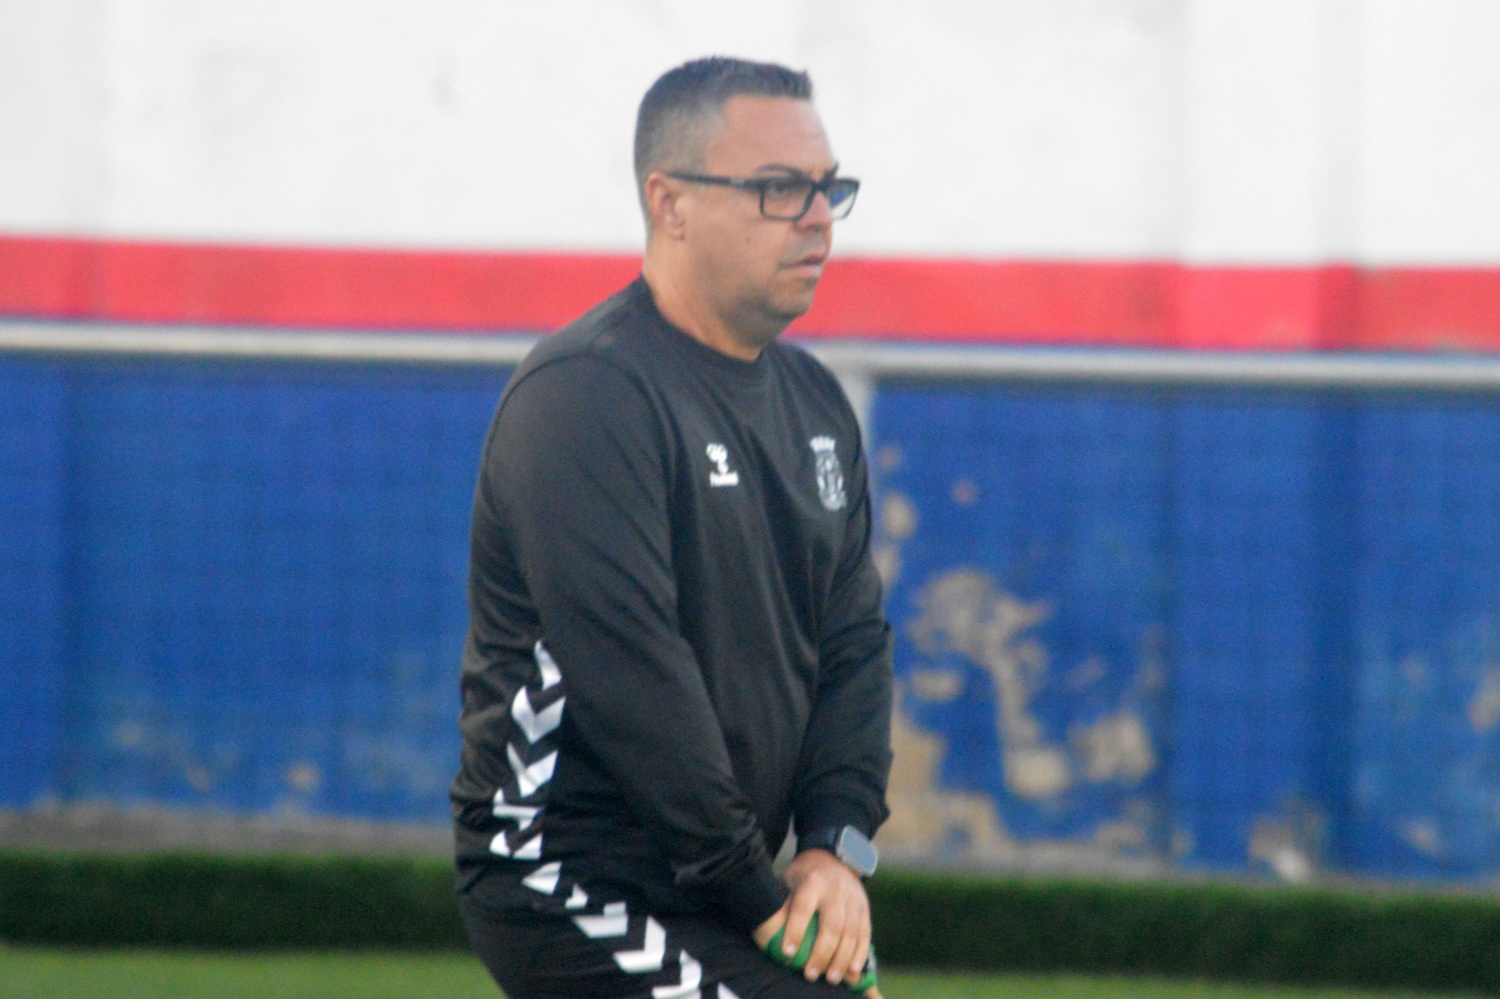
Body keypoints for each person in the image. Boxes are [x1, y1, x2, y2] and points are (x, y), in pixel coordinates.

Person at [450, 55, 893, 999]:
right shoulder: (588, 394)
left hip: (719, 881)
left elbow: (853, 647)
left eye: (828, 188)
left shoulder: (816, 404)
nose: (818, 216)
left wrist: (833, 848)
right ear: (671, 202)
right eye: (779, 189)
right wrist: (753, 890)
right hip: (565, 876)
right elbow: (632, 670)